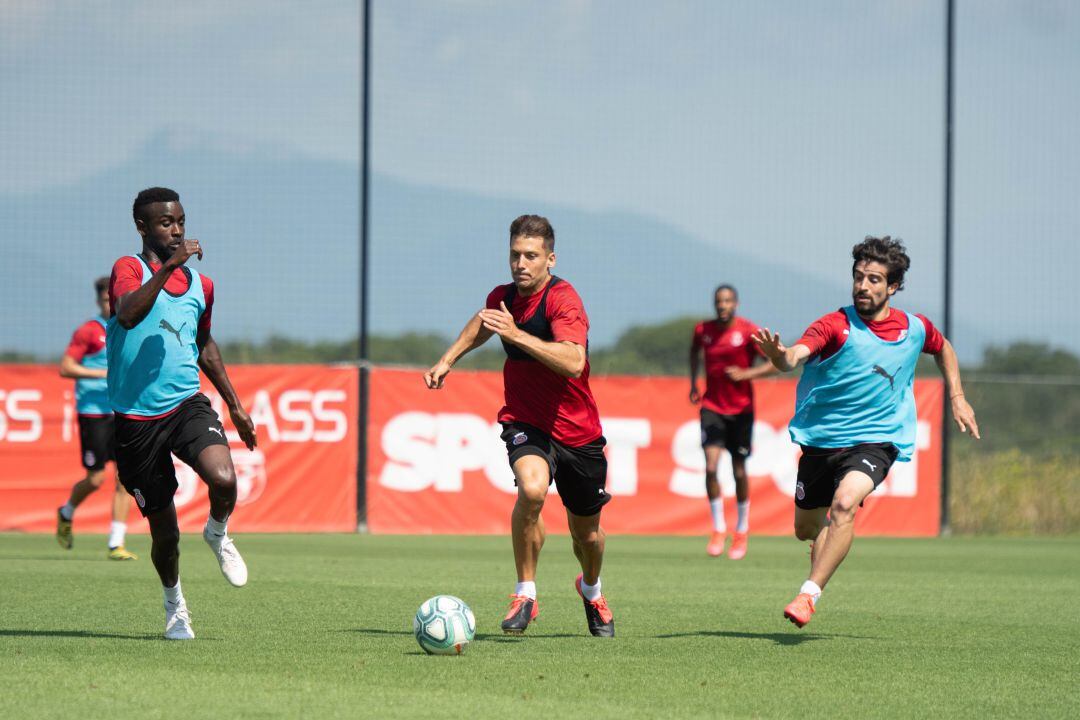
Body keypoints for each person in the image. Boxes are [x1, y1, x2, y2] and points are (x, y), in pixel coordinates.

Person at [754, 236, 979, 628]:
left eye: (874, 279)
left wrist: (957, 396)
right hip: (822, 444)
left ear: (892, 287)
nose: (863, 286)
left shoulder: (914, 327)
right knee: (806, 528)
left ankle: (808, 596)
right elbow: (794, 356)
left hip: (878, 441)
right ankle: (824, 547)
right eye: (859, 277)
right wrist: (779, 356)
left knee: (844, 505)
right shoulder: (834, 326)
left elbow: (943, 348)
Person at [424, 214, 614, 637]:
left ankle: (591, 589)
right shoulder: (503, 297)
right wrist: (447, 359)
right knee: (531, 490)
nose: (520, 263)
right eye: (515, 255)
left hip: (578, 432)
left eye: (531, 255)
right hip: (526, 421)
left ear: (550, 258)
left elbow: (573, 361)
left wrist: (518, 334)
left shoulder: (564, 300)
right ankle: (525, 592)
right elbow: (483, 321)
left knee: (589, 536)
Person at [107, 187, 257, 640]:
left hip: (186, 405)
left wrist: (234, 404)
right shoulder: (128, 269)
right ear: (142, 227)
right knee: (165, 535)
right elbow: (130, 314)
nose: (176, 231)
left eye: (180, 222)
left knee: (225, 478)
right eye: (165, 223)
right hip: (135, 421)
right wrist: (170, 265)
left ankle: (217, 533)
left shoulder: (201, 286)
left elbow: (204, 345)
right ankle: (175, 605)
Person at [689, 284, 777, 559]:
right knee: (711, 466)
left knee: (739, 471)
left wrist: (747, 374)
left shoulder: (748, 331)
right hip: (712, 406)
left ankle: (741, 529)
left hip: (741, 410)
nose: (722, 305)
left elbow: (773, 363)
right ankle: (718, 528)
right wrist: (694, 382)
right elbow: (694, 353)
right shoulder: (703, 331)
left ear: (735, 303)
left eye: (727, 301)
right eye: (719, 301)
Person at [55, 277, 137, 560]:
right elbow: (66, 367)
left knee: (125, 476)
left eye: (112, 298)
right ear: (98, 301)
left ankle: (116, 542)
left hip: (122, 410)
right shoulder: (89, 331)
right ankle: (66, 512)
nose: (109, 303)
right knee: (95, 478)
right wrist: (101, 374)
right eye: (105, 299)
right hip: (93, 412)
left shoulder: (128, 327)